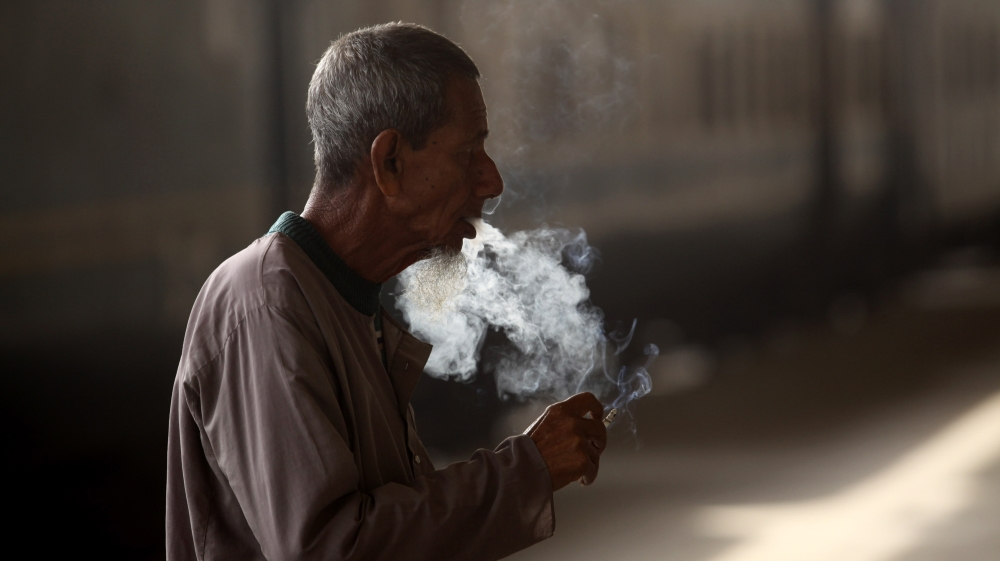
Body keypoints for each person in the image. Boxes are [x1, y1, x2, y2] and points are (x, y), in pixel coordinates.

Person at [166, 22, 607, 561]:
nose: (492, 181)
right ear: (390, 163)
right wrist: (525, 471)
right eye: (469, 153)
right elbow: (334, 548)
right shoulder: (265, 306)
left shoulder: (345, 301)